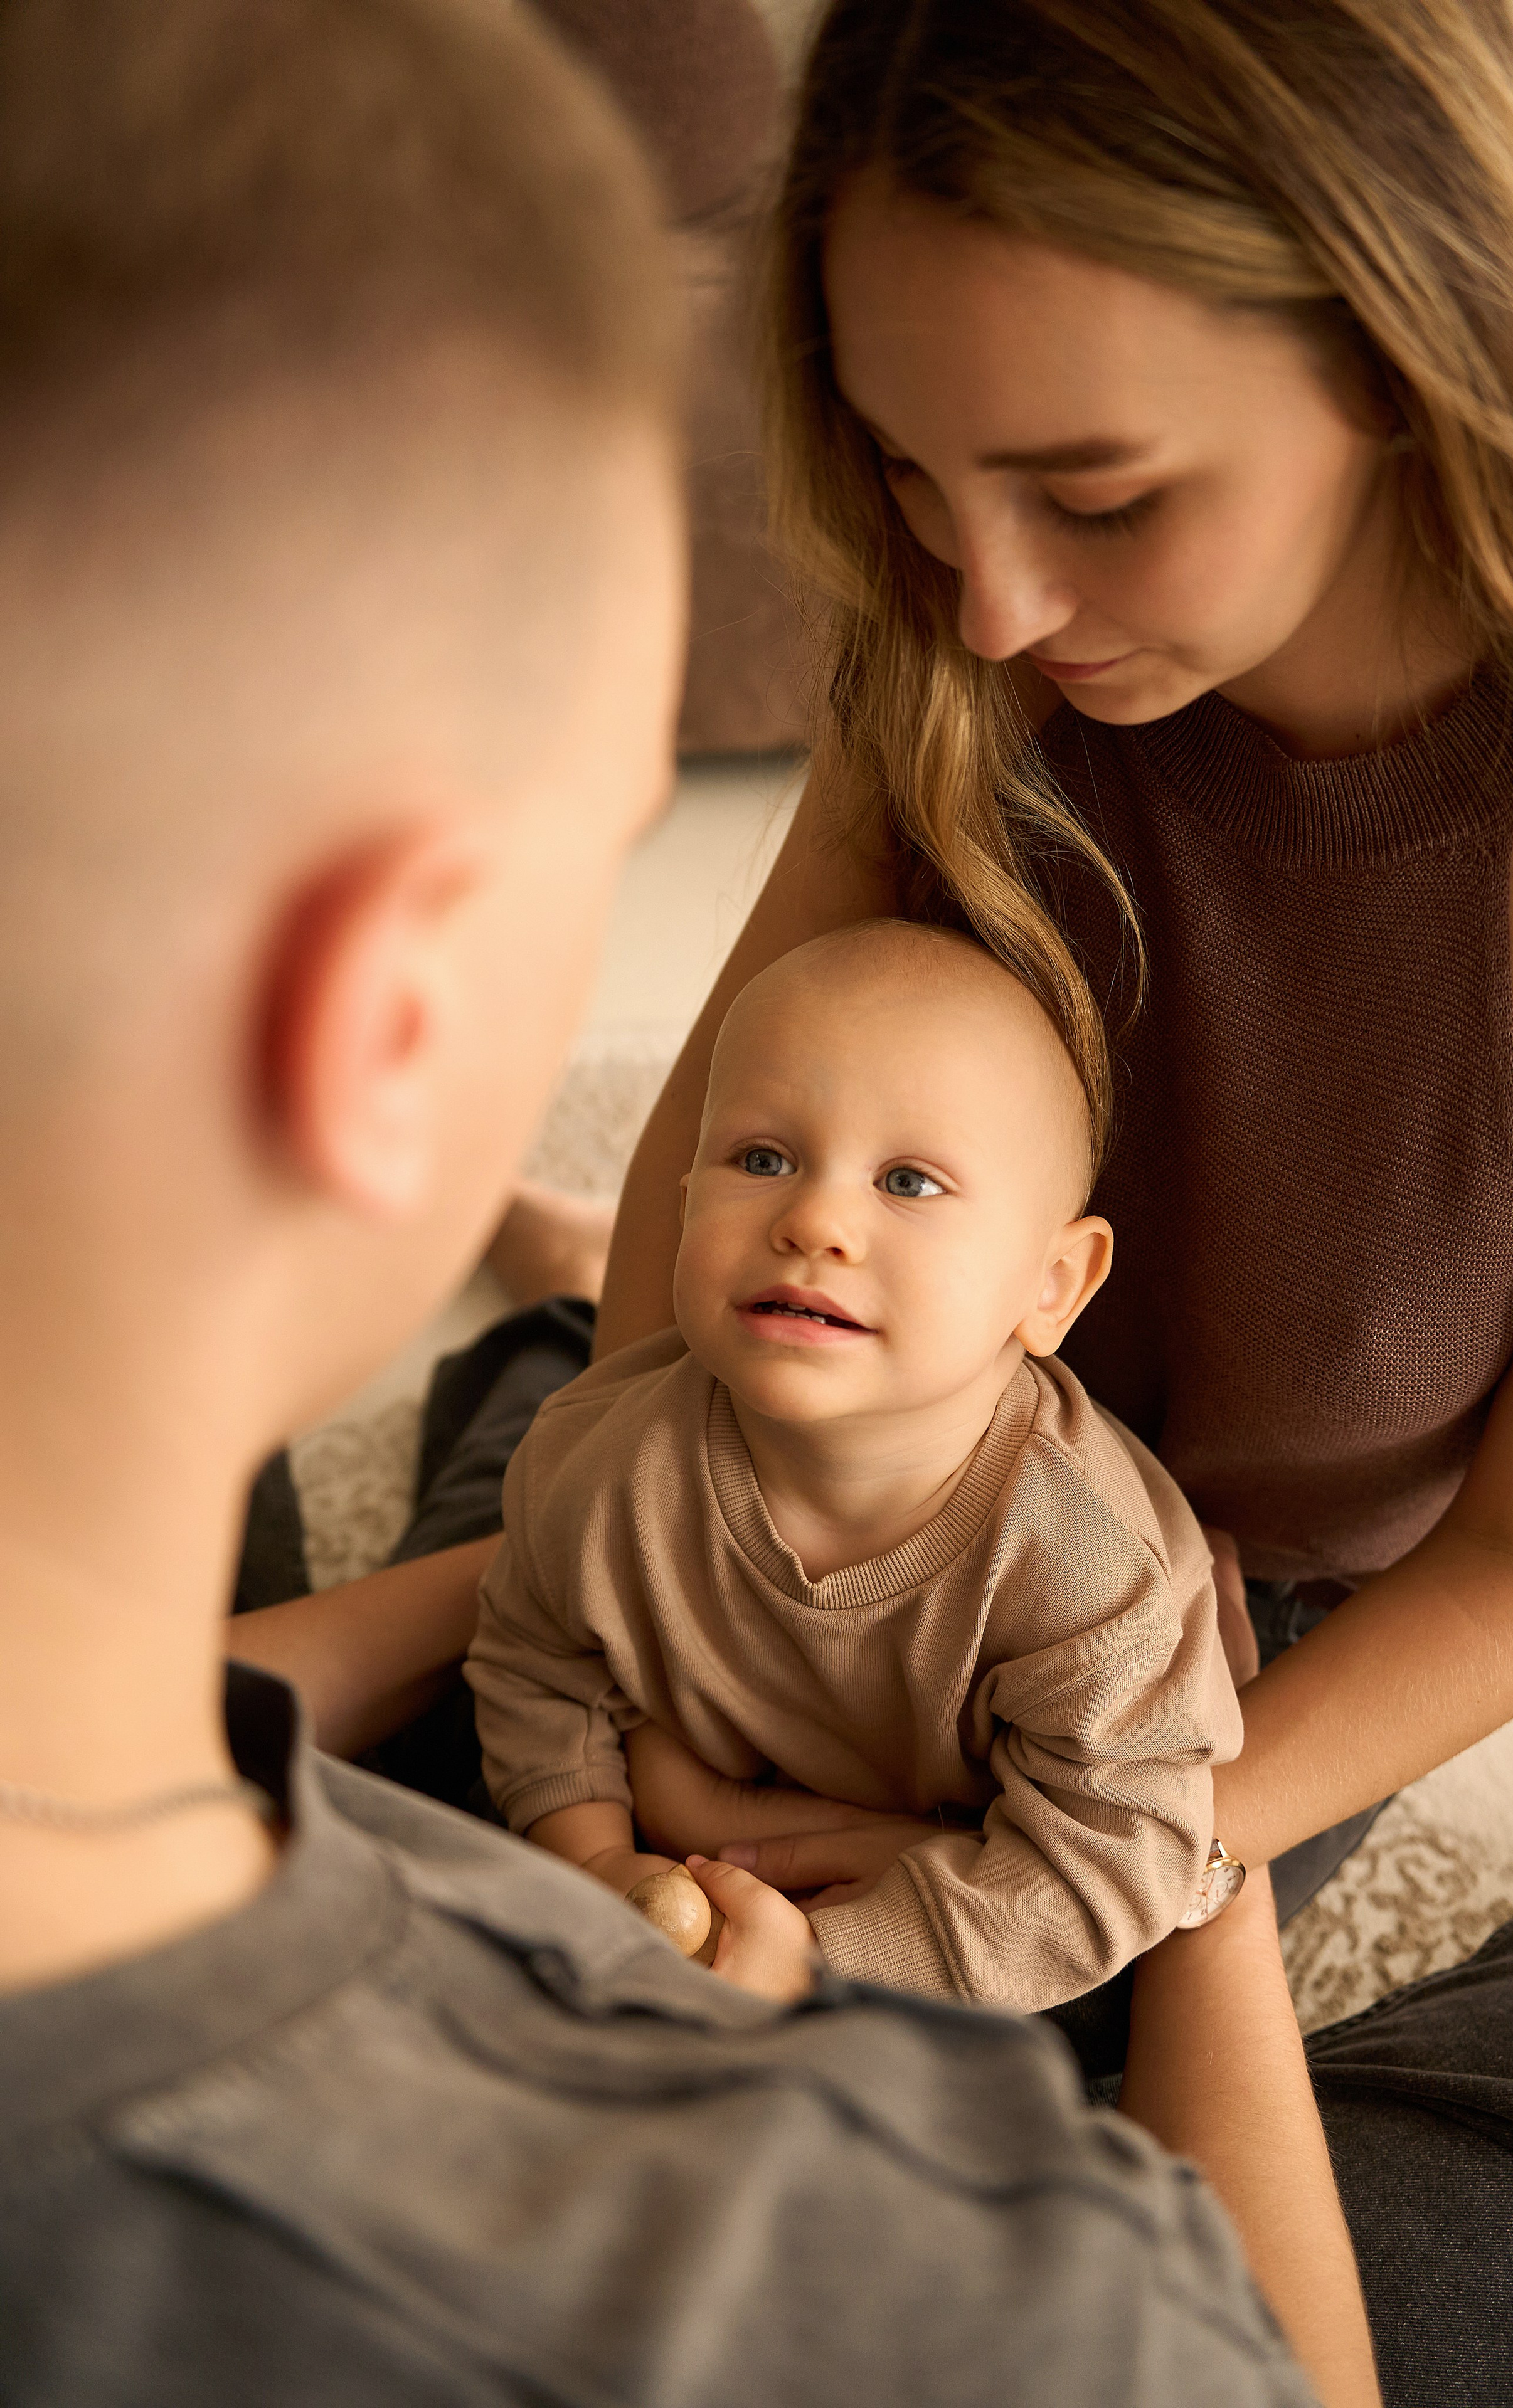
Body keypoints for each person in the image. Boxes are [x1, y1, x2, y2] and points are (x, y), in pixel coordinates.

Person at [0, 3, 1381, 2404]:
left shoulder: (1083, 1566)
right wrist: (627, 1877)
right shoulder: (1006, 2302)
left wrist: (1170, 1835)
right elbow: (551, 1621)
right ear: (393, 1012)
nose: (992, 614)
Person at [467, 921, 1241, 2008]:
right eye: (763, 1159)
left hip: (969, 1836)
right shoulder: (597, 1462)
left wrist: (830, 1967)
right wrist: (591, 1858)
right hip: (731, 1770)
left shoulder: (1091, 1578)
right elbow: (531, 1668)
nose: (815, 1220)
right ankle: (550, 1286)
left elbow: (1110, 1862)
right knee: (491, 1466)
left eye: (910, 1183)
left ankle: (560, 1271)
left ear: (1054, 1285)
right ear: (685, 1200)